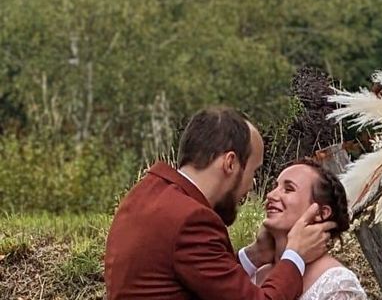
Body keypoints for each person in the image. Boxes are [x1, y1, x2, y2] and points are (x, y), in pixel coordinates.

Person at [105, 106, 336, 300]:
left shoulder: (146, 195)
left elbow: (199, 282)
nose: (252, 186)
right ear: (230, 164)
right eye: (253, 172)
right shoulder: (191, 220)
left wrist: (254, 256)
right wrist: (295, 255)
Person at [254, 159, 367, 299]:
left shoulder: (336, 284)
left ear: (321, 213)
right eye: (274, 187)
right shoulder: (257, 274)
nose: (270, 195)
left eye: (288, 189)